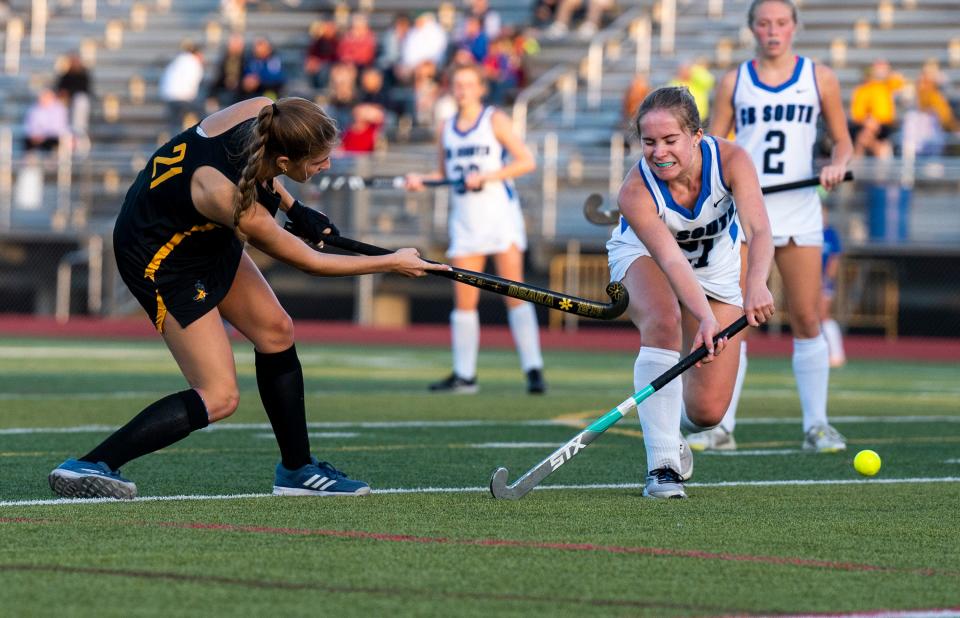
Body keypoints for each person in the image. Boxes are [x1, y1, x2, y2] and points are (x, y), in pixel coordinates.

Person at [48, 96, 447, 500]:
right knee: (219, 396)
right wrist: (392, 262)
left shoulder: (262, 111)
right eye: (318, 162)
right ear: (287, 163)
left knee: (276, 331)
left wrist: (296, 207)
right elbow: (311, 263)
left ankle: (298, 471)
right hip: (161, 257)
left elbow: (263, 170)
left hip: (199, 232)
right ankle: (91, 465)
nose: (326, 166)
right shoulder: (227, 199)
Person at [700, 0, 853, 453]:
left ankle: (817, 425)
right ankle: (720, 425)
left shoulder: (819, 77)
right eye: (764, 23)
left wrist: (837, 164)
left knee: (807, 317)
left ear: (794, 27)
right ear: (751, 29)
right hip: (746, 210)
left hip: (800, 208)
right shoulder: (734, 80)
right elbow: (713, 145)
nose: (773, 30)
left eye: (781, 22)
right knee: (735, 321)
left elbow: (843, 139)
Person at [607, 86, 775, 498]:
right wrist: (703, 318)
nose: (659, 152)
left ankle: (669, 430)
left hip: (718, 267)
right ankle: (662, 467)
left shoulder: (733, 160)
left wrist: (755, 284)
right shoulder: (634, 192)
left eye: (670, 140)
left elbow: (759, 229)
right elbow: (671, 261)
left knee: (707, 414)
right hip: (645, 256)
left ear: (696, 136)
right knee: (664, 322)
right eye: (649, 142)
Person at [405, 64, 545, 395]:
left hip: (499, 217)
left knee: (515, 293)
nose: (462, 89)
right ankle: (465, 375)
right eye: (457, 84)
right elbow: (444, 174)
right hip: (465, 221)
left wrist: (487, 176)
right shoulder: (446, 127)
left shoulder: (494, 119)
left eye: (469, 84)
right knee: (464, 301)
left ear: (481, 88)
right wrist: (421, 181)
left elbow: (526, 161)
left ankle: (533, 369)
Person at [849, 58, 905, 159]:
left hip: (885, 125)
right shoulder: (862, 90)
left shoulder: (886, 86)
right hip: (867, 125)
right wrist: (868, 121)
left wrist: (887, 72)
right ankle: (879, 150)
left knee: (863, 138)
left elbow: (899, 83)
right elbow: (857, 114)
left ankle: (858, 159)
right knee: (865, 136)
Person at [820, 204, 845, 368]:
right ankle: (825, 353)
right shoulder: (811, 232)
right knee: (814, 318)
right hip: (812, 280)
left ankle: (837, 354)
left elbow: (834, 259)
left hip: (824, 281)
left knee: (823, 316)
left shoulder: (830, 235)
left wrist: (827, 279)